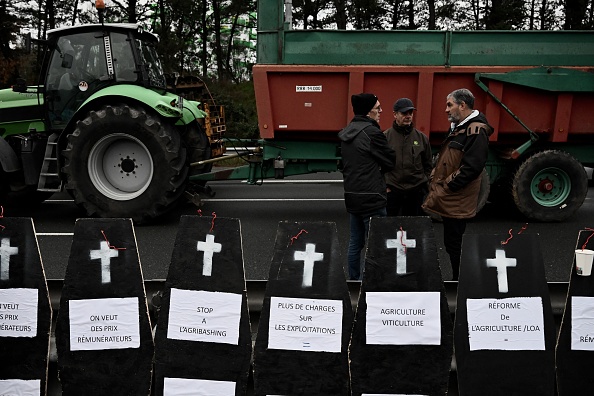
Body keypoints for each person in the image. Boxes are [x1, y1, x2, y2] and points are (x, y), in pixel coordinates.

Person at [422, 88, 493, 280]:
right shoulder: (459, 126)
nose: (446, 110)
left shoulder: (475, 130)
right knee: (452, 243)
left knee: (456, 244)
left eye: (449, 105)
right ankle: (458, 282)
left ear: (462, 105)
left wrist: (446, 187)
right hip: (453, 198)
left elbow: (472, 167)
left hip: (457, 198)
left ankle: (460, 285)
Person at [338, 93, 396, 280]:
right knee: (377, 243)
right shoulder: (371, 133)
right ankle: (372, 283)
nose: (381, 111)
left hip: (353, 195)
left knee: (355, 242)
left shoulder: (347, 132)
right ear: (368, 110)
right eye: (377, 107)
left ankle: (354, 280)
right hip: (372, 196)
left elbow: (345, 164)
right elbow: (390, 160)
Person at [384, 98, 432, 216]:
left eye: (410, 113)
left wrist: (423, 186)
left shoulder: (421, 138)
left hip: (415, 193)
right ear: (395, 114)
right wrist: (385, 187)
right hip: (393, 192)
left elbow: (428, 165)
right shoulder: (385, 137)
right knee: (392, 229)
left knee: (413, 230)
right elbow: (378, 165)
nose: (408, 116)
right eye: (404, 113)